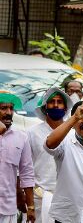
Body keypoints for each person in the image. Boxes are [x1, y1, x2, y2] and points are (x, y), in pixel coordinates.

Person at [27, 88, 73, 223]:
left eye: (60, 102)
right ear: (45, 107)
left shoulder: (72, 133)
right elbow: (24, 168)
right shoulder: (32, 132)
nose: (56, 105)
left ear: (65, 108)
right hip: (39, 197)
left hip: (67, 198)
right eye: (52, 102)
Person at [0, 91, 35, 223]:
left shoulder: (21, 137)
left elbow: (27, 173)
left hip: (9, 209)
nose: (8, 112)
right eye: (3, 108)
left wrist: (31, 206)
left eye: (11, 108)